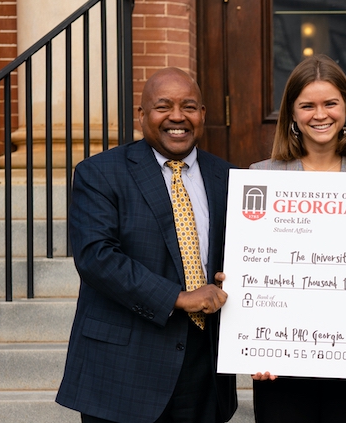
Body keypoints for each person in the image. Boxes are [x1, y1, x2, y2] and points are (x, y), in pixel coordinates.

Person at [56, 67, 238, 423]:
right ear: (141, 114)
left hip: (204, 371)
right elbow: (96, 258)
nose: (177, 117)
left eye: (189, 106)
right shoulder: (99, 173)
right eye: (163, 106)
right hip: (123, 371)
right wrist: (179, 297)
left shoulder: (228, 177)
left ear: (203, 114)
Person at [247, 54, 346, 422]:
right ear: (292, 115)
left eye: (330, 104)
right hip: (281, 361)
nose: (320, 115)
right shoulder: (261, 178)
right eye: (307, 105)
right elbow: (252, 268)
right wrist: (251, 344)